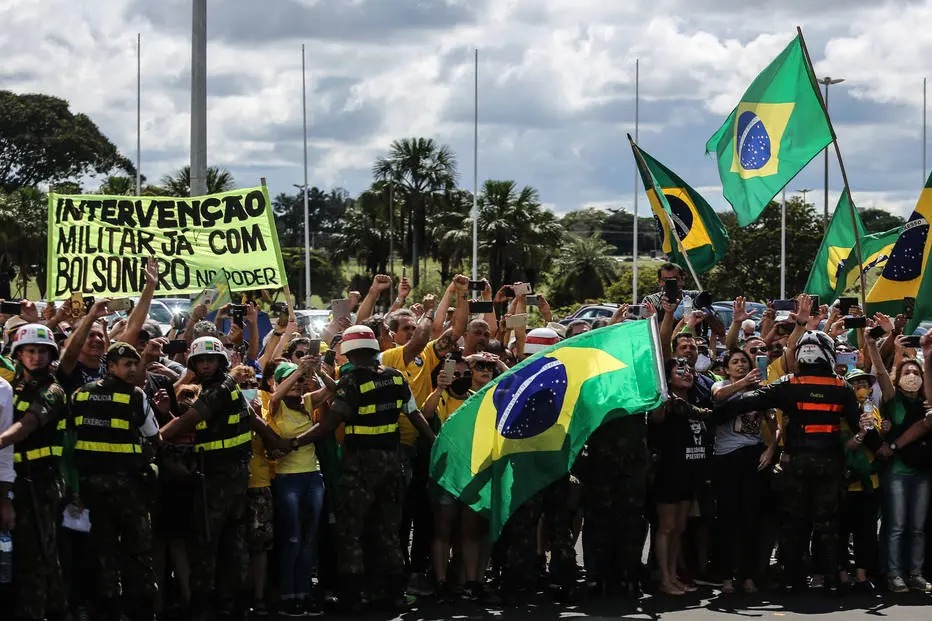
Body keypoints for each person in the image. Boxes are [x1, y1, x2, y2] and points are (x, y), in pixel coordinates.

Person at [714, 327, 873, 593]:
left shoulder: (790, 383)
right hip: (829, 464)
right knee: (828, 523)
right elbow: (860, 424)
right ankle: (832, 578)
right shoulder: (841, 386)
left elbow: (750, 399)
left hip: (796, 464)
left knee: (794, 523)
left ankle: (793, 580)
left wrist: (717, 410)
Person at [290, 325, 437, 612]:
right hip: (393, 463)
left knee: (352, 531)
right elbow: (415, 414)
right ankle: (394, 593)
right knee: (388, 530)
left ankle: (353, 597)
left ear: (349, 352)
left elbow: (329, 423)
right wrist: (435, 442)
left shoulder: (353, 381)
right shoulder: (396, 378)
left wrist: (294, 442)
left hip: (359, 467)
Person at [159, 336, 289, 620]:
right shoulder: (226, 387)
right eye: (201, 360)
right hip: (230, 473)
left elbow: (188, 421)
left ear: (221, 361)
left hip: (220, 476)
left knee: (207, 539)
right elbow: (254, 420)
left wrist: (154, 438)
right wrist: (273, 440)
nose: (205, 364)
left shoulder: (218, 389)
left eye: (210, 359)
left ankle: (205, 604)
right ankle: (234, 601)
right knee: (233, 541)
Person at [69, 342, 161, 621]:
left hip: (92, 488)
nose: (133, 369)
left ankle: (110, 608)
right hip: (128, 488)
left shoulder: (79, 395)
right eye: (127, 365)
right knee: (138, 550)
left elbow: (71, 437)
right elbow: (154, 436)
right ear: (110, 367)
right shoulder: (135, 396)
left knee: (103, 550)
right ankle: (142, 610)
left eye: (135, 364)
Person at [0, 324, 69, 621]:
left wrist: (0, 439)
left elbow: (26, 425)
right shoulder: (12, 387)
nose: (36, 357)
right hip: (15, 480)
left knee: (36, 556)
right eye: (30, 351)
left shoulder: (52, 390)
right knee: (36, 555)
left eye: (43, 351)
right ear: (19, 354)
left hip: (41, 483)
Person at [266, 357, 335, 616]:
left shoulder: (307, 402)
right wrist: (297, 373)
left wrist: (316, 372)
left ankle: (304, 593)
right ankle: (288, 595)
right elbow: (275, 396)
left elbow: (334, 390)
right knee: (292, 539)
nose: (295, 385)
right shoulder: (275, 407)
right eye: (288, 380)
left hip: (312, 478)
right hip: (288, 479)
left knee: (309, 540)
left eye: (298, 381)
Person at [868, 333, 931, 593]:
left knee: (917, 527)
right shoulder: (893, 399)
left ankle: (915, 572)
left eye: (917, 371)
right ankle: (894, 573)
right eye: (908, 371)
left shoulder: (927, 401)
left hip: (922, 472)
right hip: (896, 471)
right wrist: (873, 346)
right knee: (896, 525)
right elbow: (882, 374)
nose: (913, 376)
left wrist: (927, 357)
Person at [710, 349, 772, 594]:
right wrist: (744, 384)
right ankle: (726, 576)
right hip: (726, 459)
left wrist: (771, 448)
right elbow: (718, 396)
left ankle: (747, 576)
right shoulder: (722, 385)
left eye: (744, 362)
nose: (740, 366)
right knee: (728, 518)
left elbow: (773, 423)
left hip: (753, 456)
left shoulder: (760, 391)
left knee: (751, 518)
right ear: (726, 368)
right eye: (734, 362)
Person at [649, 358, 710, 595]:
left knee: (680, 528)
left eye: (690, 370)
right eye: (680, 370)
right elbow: (655, 419)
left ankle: (673, 575)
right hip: (668, 472)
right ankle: (663, 578)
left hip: (690, 474)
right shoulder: (664, 402)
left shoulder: (694, 401)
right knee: (667, 526)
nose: (687, 373)